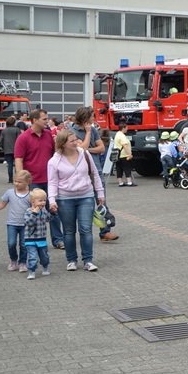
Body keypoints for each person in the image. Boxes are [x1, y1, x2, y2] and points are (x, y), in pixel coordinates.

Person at [48, 130, 105, 272]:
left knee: (86, 229)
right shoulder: (54, 161)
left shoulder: (84, 154)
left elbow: (94, 173)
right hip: (65, 198)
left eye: (75, 140)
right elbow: (52, 182)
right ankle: (71, 260)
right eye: (71, 141)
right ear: (62, 144)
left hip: (86, 195)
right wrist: (52, 200)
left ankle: (88, 260)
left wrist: (100, 192)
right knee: (69, 231)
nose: (75, 142)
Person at [13, 109, 64, 249]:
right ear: (34, 120)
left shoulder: (49, 135)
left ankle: (58, 240)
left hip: (51, 180)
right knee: (34, 211)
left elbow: (56, 155)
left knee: (54, 210)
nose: (47, 121)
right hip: (33, 181)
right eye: (44, 119)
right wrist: (21, 181)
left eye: (47, 119)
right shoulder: (23, 138)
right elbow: (19, 159)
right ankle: (32, 240)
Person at [70, 106, 118, 242]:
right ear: (85, 117)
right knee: (86, 203)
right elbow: (82, 148)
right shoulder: (72, 131)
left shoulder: (94, 130)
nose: (94, 119)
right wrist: (88, 133)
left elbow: (101, 148)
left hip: (96, 170)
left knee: (101, 201)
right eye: (92, 116)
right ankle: (83, 232)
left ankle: (105, 232)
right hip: (82, 173)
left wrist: (86, 148)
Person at [0, 169, 31, 271]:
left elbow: (34, 208)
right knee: (11, 243)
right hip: (12, 223)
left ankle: (22, 262)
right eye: (15, 181)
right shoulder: (9, 192)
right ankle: (13, 260)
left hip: (26, 224)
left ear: (28, 182)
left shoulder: (31, 195)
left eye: (20, 182)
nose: (16, 183)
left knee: (24, 244)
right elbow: (2, 204)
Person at [22, 188, 52, 279]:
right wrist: (34, 214)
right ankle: (32, 271)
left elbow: (48, 219)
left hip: (41, 239)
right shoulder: (28, 211)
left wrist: (53, 213)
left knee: (44, 256)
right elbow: (29, 223)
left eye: (44, 200)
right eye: (40, 201)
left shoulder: (43, 211)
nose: (43, 203)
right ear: (32, 202)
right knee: (32, 257)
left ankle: (45, 267)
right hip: (30, 240)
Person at [0, 116, 21, 183]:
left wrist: (3, 147)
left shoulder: (4, 131)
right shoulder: (17, 129)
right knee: (17, 164)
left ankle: (10, 179)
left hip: (7, 150)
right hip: (16, 149)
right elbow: (20, 140)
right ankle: (17, 178)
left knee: (9, 164)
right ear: (14, 122)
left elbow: (1, 141)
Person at [113, 122, 135, 187]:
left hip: (117, 155)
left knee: (119, 169)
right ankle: (129, 182)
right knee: (127, 168)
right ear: (123, 128)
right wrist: (129, 154)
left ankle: (120, 183)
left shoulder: (117, 134)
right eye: (126, 128)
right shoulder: (122, 136)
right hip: (124, 155)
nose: (127, 129)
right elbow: (125, 145)